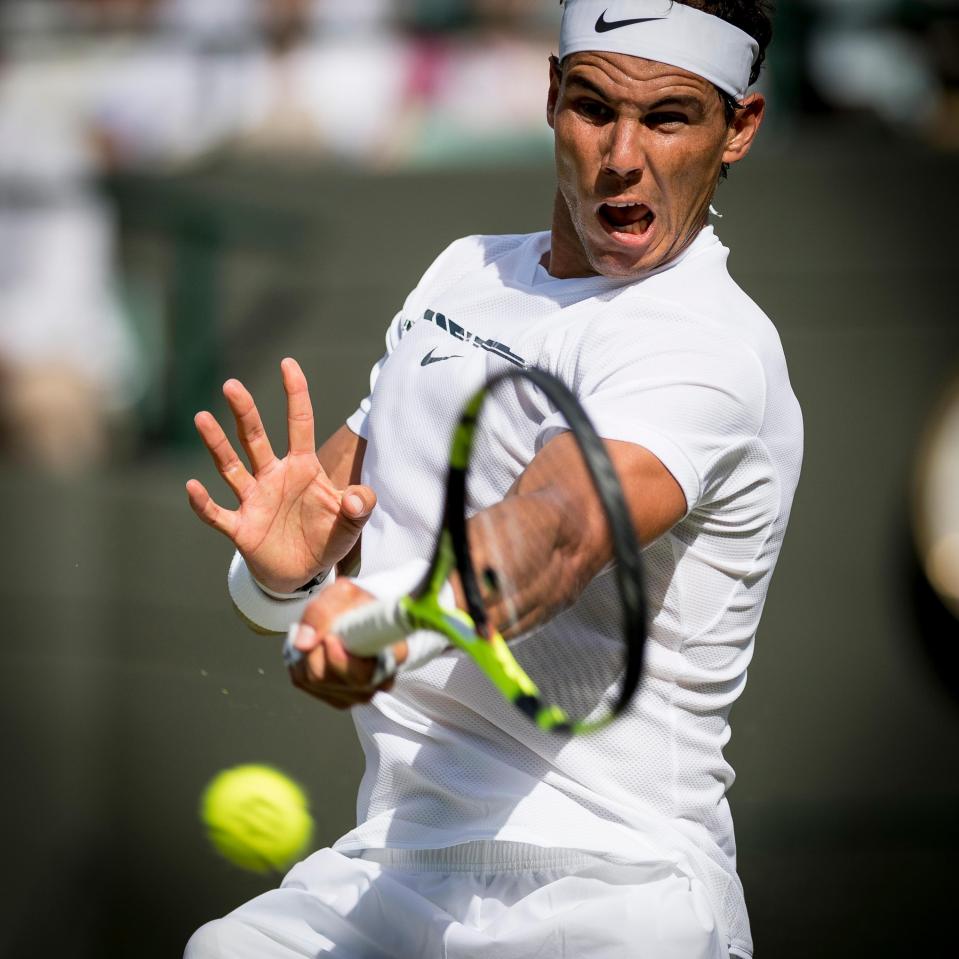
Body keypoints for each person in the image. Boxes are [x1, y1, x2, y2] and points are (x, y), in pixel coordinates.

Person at [184, 1, 800, 956]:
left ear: (738, 130)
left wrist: (383, 621)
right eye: (594, 107)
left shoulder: (704, 343)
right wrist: (285, 575)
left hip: (614, 886)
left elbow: (555, 531)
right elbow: (333, 532)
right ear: (550, 96)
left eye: (670, 118)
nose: (621, 156)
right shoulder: (461, 275)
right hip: (395, 861)